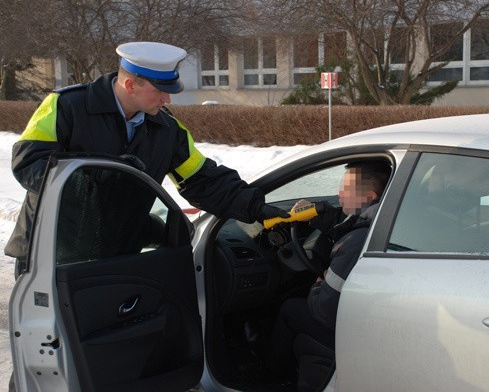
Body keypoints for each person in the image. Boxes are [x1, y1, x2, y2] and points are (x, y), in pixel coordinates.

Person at [4, 41, 288, 278]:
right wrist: (93, 179)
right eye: (161, 90)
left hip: (116, 259)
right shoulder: (67, 106)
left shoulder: (167, 130)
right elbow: (29, 162)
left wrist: (257, 208)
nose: (168, 99)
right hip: (51, 257)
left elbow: (203, 179)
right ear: (130, 84)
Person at [264, 161, 391, 389]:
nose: (339, 193)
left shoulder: (356, 242)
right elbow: (344, 223)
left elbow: (324, 310)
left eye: (346, 189)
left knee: (290, 309)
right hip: (371, 323)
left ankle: (269, 374)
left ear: (369, 197)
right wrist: (313, 213)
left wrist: (317, 285)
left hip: (349, 332)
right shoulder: (380, 222)